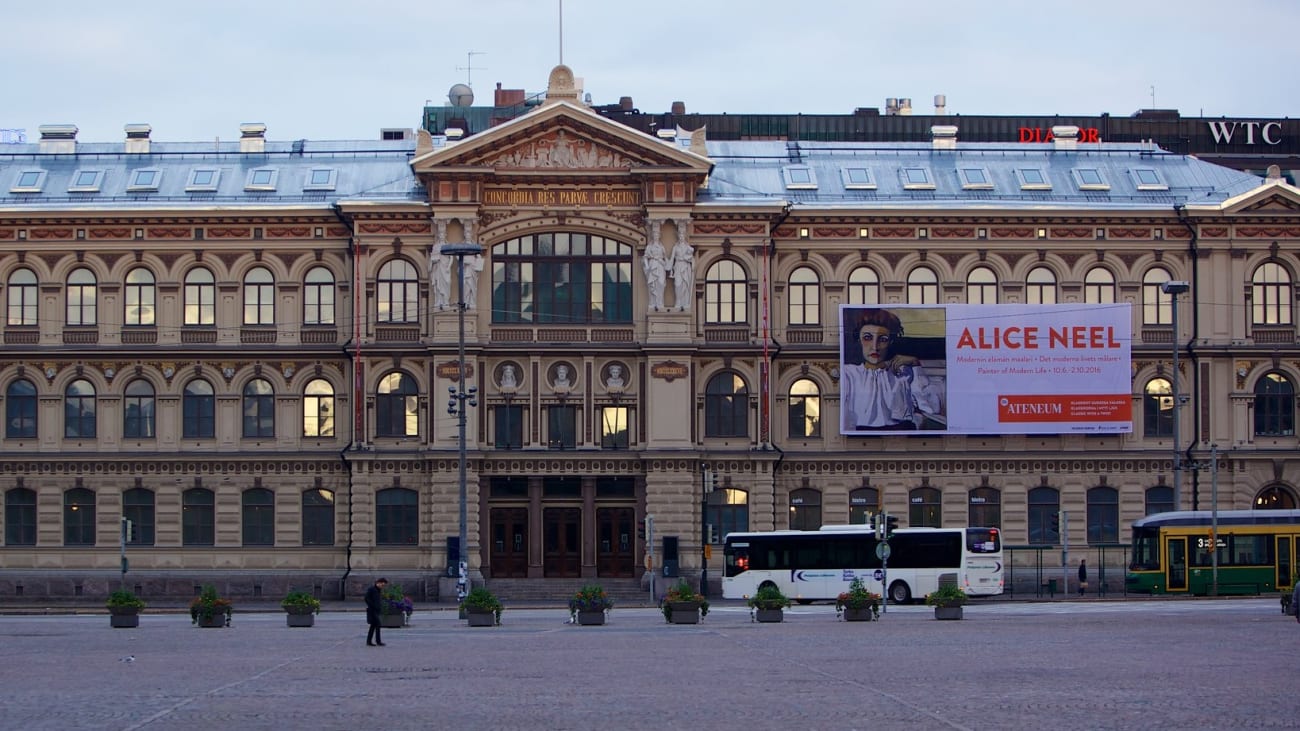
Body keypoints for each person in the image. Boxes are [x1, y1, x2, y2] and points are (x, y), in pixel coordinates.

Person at [840, 308, 943, 431]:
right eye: (868, 338)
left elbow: (932, 408)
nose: (875, 347)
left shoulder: (904, 373)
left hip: (902, 439)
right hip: (861, 439)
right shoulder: (849, 374)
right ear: (859, 339)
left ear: (891, 342)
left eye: (882, 339)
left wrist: (916, 365)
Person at [643, 237, 667, 310]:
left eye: (657, 234)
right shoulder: (649, 247)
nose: (656, 236)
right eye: (654, 234)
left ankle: (660, 302)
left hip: (660, 266)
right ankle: (653, 303)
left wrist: (663, 262)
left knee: (661, 283)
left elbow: (666, 259)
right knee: (652, 284)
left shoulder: (662, 247)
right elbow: (645, 257)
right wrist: (647, 266)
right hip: (652, 265)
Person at [670, 239, 695, 311]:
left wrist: (689, 259)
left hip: (685, 267)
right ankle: (678, 301)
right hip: (677, 266)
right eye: (680, 235)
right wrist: (669, 267)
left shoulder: (687, 247)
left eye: (682, 235)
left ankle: (684, 303)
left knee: (685, 284)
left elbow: (691, 255)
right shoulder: (675, 247)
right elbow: (672, 258)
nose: (681, 237)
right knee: (677, 284)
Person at [364, 577, 388, 647]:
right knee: (378, 624)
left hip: (376, 610)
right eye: (382, 585)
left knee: (373, 626)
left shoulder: (378, 590)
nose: (383, 586)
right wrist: (372, 606)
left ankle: (369, 641)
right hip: (372, 610)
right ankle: (378, 641)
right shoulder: (372, 589)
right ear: (378, 583)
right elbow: (366, 598)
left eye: (384, 585)